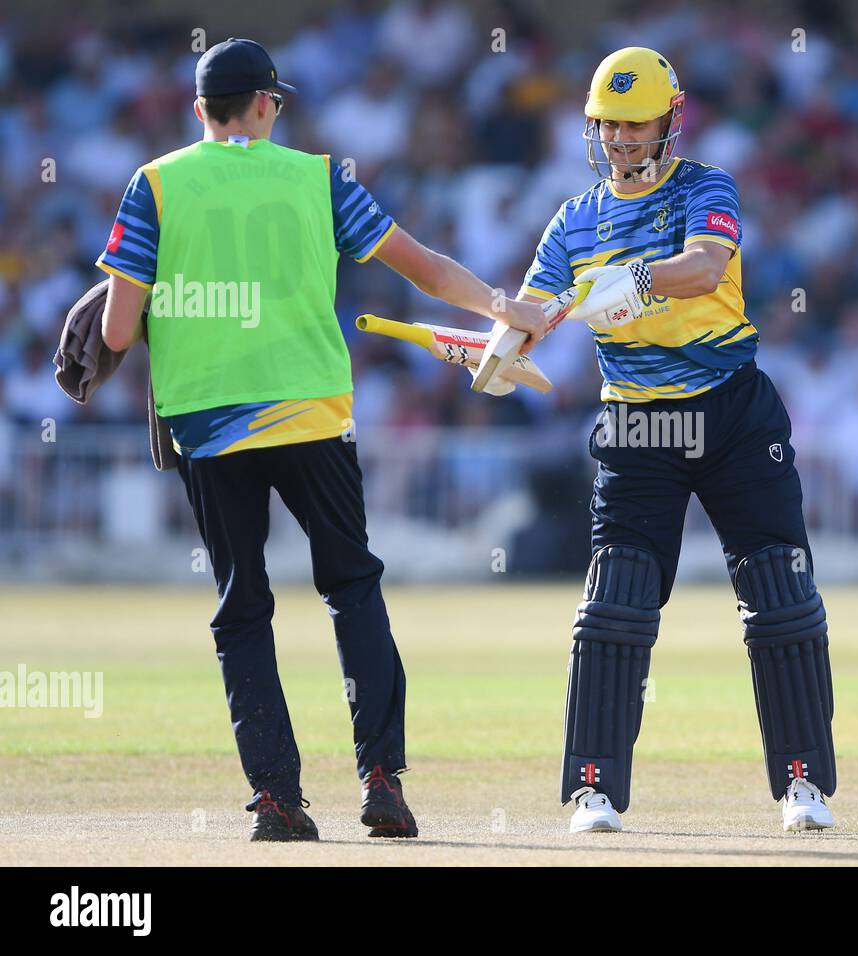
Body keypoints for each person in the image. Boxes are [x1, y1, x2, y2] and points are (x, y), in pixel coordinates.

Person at [97, 38, 545, 841]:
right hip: (311, 414)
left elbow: (120, 329)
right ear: (268, 105)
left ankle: (276, 800)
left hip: (206, 421)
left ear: (200, 110)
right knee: (351, 588)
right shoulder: (319, 177)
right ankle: (381, 779)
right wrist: (504, 309)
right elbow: (428, 271)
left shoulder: (154, 184)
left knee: (243, 609)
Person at [517, 47, 836, 833]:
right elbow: (534, 307)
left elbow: (704, 266)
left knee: (779, 592)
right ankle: (592, 789)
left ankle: (802, 785)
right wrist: (498, 349)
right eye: (607, 125)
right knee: (615, 602)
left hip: (732, 410)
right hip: (638, 421)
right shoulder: (573, 218)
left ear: (669, 119)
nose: (621, 140)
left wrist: (638, 280)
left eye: (635, 124)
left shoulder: (706, 185)